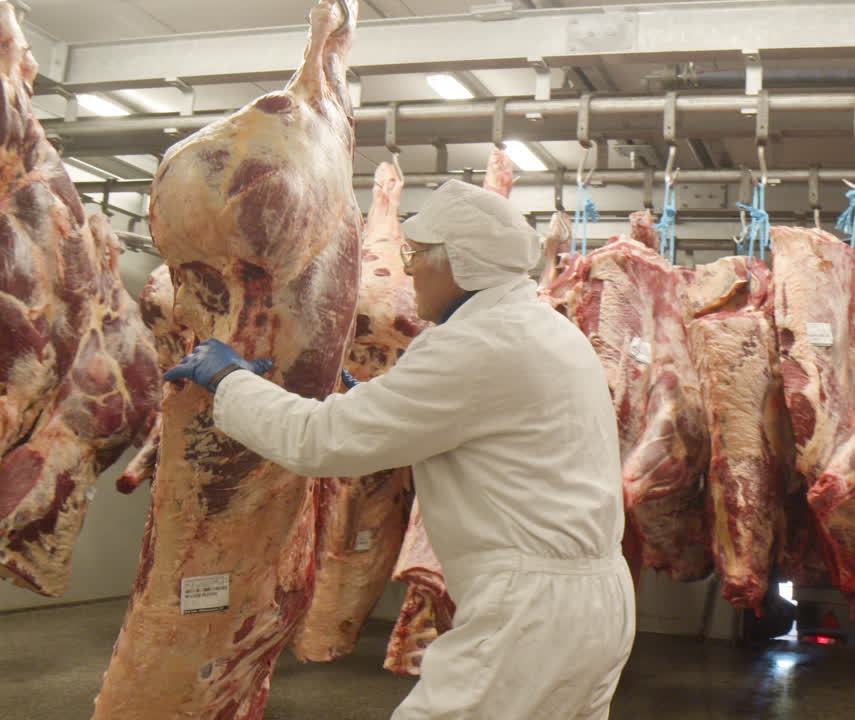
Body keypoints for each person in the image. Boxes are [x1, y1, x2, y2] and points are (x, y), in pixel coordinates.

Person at [164, 179, 635, 719]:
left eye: (416, 256)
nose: (409, 272)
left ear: (457, 264)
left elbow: (319, 440)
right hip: (596, 603)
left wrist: (227, 379)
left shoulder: (477, 342)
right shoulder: (548, 329)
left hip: (529, 616)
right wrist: (385, 406)